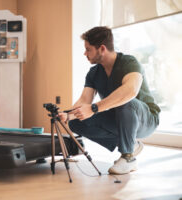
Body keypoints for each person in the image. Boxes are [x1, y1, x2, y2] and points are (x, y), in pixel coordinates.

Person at [59, 26, 160, 175]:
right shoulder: (94, 72)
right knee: (76, 122)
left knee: (125, 100)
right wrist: (68, 115)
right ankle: (130, 145)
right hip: (119, 118)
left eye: (88, 49)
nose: (85, 53)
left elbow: (130, 91)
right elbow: (84, 100)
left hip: (145, 119)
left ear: (102, 48)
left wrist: (94, 108)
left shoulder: (129, 63)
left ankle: (128, 157)